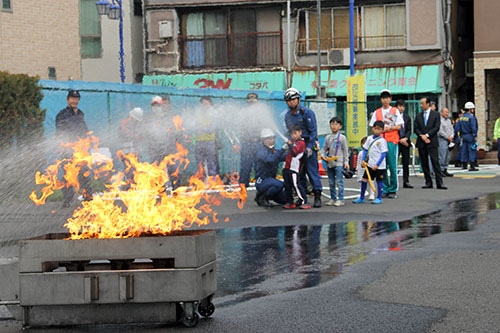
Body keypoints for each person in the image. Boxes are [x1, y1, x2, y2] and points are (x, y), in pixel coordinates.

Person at [282, 88, 323, 207]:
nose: (290, 102)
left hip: (307, 145)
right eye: (288, 101)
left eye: (293, 100)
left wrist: (309, 147)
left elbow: (313, 132)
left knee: (312, 172)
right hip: (296, 148)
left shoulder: (307, 113)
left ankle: (317, 196)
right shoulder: (287, 116)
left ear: (298, 99)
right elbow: (289, 132)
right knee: (299, 174)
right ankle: (302, 197)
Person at [55, 90, 92, 207]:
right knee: (68, 174)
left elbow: (84, 129)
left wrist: (87, 141)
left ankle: (88, 196)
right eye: (72, 98)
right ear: (67, 100)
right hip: (68, 149)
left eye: (76, 98)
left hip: (81, 149)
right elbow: (60, 131)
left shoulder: (81, 113)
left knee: (84, 172)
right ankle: (67, 200)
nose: (74, 100)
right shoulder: (62, 114)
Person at [369, 89, 404, 199]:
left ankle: (393, 189)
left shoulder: (394, 111)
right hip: (380, 142)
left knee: (392, 166)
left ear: (390, 99)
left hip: (391, 141)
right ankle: (384, 188)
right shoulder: (377, 112)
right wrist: (380, 130)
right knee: (381, 167)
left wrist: (389, 128)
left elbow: (399, 126)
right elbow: (372, 127)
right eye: (383, 98)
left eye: (387, 98)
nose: (385, 100)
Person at [145, 95, 185, 189]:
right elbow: (146, 132)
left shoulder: (170, 117)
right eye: (154, 106)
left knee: (173, 170)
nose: (156, 108)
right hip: (154, 150)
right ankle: (160, 190)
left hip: (169, 148)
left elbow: (177, 132)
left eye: (158, 106)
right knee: (156, 170)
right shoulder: (148, 119)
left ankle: (176, 189)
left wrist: (180, 142)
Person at [414, 97, 447, 189]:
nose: (421, 105)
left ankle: (439, 182)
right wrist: (422, 136)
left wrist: (427, 135)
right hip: (421, 142)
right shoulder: (418, 115)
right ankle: (428, 182)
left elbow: (436, 127)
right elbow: (416, 128)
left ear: (428, 104)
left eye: (422, 103)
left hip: (432, 141)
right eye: (420, 104)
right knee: (424, 163)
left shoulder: (435, 114)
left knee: (435, 162)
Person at [352, 121, 388, 204]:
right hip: (370, 164)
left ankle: (379, 198)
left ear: (382, 130)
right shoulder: (369, 138)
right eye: (375, 128)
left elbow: (383, 154)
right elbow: (365, 149)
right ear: (372, 129)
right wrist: (363, 160)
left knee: (379, 180)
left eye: (379, 129)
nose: (376, 131)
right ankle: (361, 197)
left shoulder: (382, 141)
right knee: (364, 179)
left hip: (380, 166)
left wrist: (377, 164)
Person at [254, 128, 287, 207]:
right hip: (262, 181)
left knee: (285, 200)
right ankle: (262, 197)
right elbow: (270, 159)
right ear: (263, 140)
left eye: (272, 138)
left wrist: (293, 150)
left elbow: (281, 157)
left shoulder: (273, 150)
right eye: (268, 139)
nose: (271, 140)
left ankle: (267, 194)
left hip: (271, 181)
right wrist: (283, 149)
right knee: (279, 184)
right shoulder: (261, 151)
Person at [320, 117, 349, 206]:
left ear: (340, 126)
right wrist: (322, 155)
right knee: (331, 182)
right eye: (332, 124)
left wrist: (346, 161)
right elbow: (324, 148)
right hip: (330, 162)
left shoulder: (342, 138)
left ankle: (341, 199)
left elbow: (345, 150)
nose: (334, 126)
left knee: (339, 181)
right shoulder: (328, 137)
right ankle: (333, 198)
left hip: (339, 162)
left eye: (336, 124)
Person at [283, 124, 310, 209]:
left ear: (300, 133)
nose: (293, 135)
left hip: (294, 168)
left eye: (295, 133)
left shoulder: (301, 143)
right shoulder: (293, 142)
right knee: (287, 186)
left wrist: (290, 145)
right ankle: (290, 202)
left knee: (296, 185)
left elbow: (295, 153)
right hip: (287, 167)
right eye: (292, 134)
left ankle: (304, 201)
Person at [239, 93, 261, 188]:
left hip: (258, 142)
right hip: (246, 142)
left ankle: (261, 186)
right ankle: (243, 188)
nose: (252, 103)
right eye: (250, 101)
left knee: (259, 166)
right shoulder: (243, 112)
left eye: (254, 102)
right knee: (245, 166)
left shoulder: (262, 113)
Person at [193, 96, 219, 179]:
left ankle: (213, 181)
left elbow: (212, 128)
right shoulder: (197, 114)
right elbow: (194, 126)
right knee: (200, 163)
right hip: (199, 142)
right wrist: (202, 128)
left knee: (211, 162)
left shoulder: (213, 114)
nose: (204, 105)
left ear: (210, 104)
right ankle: (201, 180)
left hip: (210, 142)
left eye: (206, 103)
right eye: (203, 103)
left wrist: (202, 128)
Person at [396, 100, 413, 188]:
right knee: (394, 162)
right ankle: (394, 182)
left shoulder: (407, 117)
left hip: (405, 142)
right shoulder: (394, 117)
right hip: (396, 142)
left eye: (403, 106)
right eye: (400, 106)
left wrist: (405, 138)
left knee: (406, 162)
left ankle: (406, 181)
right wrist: (399, 139)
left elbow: (409, 129)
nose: (401, 108)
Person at [457, 102, 478, 171]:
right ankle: (472, 165)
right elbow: (474, 128)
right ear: (470, 109)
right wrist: (475, 135)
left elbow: (458, 127)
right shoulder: (471, 118)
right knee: (472, 150)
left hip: (463, 136)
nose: (473, 110)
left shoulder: (462, 118)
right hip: (470, 135)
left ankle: (464, 164)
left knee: (464, 150)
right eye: (472, 109)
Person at [437, 108, 455, 177]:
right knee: (442, 155)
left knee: (448, 155)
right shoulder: (440, 121)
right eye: (445, 112)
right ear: (441, 113)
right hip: (442, 139)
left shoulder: (449, 121)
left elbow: (452, 129)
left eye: (447, 112)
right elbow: (440, 131)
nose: (446, 114)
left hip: (449, 140)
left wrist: (451, 136)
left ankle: (445, 169)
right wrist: (447, 137)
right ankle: (441, 170)